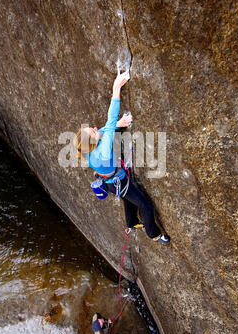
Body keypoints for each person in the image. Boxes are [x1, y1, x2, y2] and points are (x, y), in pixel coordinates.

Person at [73, 70, 170, 244]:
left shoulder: (87, 149)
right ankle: (154, 234)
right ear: (94, 142)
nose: (96, 128)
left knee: (128, 198)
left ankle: (132, 222)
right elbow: (108, 124)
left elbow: (104, 131)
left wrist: (119, 124)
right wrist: (116, 87)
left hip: (112, 181)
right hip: (119, 181)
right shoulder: (101, 152)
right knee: (145, 204)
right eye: (92, 131)